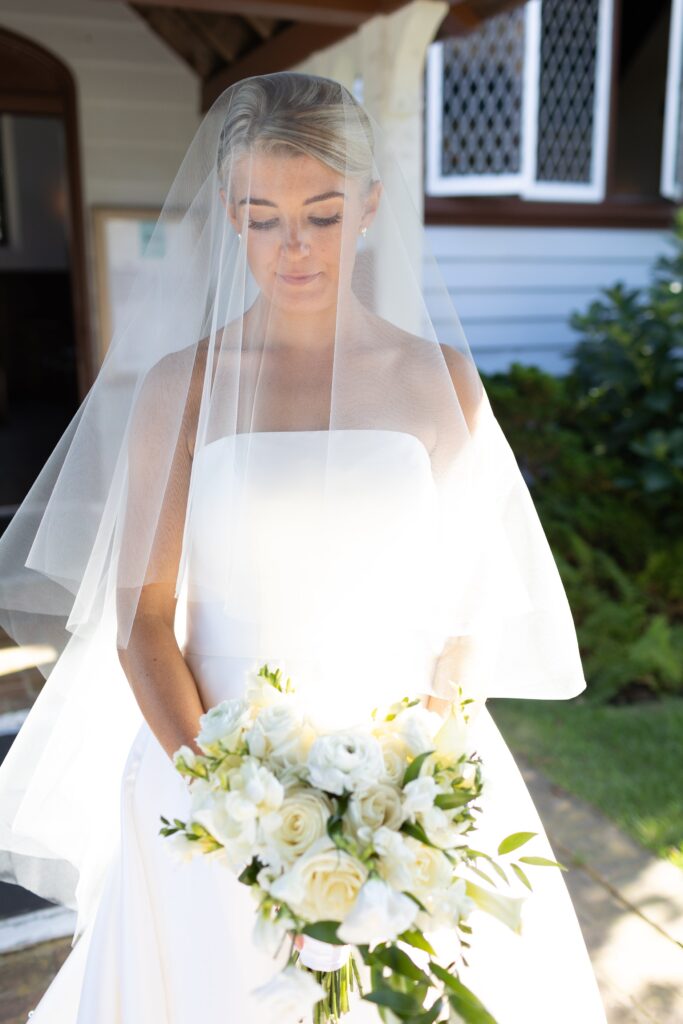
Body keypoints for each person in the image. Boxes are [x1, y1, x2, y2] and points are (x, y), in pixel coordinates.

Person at [0, 71, 607, 1022]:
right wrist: (233, 800)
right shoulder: (181, 386)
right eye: (260, 217)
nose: (292, 248)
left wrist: (409, 784)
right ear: (230, 220)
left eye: (320, 216)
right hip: (211, 772)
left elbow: (466, 616)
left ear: (367, 207)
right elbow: (144, 624)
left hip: (400, 773)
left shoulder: (441, 380)